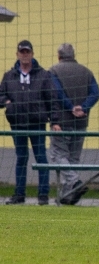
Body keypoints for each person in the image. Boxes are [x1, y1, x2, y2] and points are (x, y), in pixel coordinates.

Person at [0, 40, 59, 205]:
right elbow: (0, 95)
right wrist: (7, 103)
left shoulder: (44, 75)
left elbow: (52, 99)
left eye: (27, 52)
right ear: (17, 55)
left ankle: (43, 195)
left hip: (37, 122)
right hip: (17, 123)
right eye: (22, 52)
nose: (25, 55)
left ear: (32, 54)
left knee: (41, 157)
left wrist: (55, 121)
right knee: (21, 157)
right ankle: (19, 194)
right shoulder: (9, 76)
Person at [49, 43, 99, 205]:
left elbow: (57, 93)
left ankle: (75, 182)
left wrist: (71, 107)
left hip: (62, 121)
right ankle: (67, 196)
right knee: (73, 158)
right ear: (73, 55)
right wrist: (83, 107)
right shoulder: (86, 72)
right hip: (81, 122)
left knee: (57, 155)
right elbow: (96, 93)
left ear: (59, 56)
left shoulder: (53, 71)